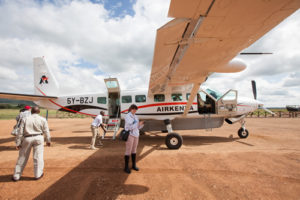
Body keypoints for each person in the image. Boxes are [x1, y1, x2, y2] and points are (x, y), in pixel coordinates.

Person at [12, 106, 51, 181]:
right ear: (39, 112)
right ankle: (38, 174)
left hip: (27, 138)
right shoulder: (43, 119)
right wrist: (48, 140)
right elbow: (46, 131)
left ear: (31, 111)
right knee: (38, 157)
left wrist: (18, 143)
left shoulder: (25, 119)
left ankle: (16, 176)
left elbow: (20, 132)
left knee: (22, 157)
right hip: (39, 138)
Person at [124, 104, 144, 174]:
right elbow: (130, 127)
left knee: (134, 150)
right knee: (128, 151)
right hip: (130, 135)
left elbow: (137, 127)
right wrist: (138, 124)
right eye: (134, 109)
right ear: (130, 109)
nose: (135, 110)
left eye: (136, 109)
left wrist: (141, 125)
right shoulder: (127, 116)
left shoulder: (136, 116)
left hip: (136, 135)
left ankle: (133, 165)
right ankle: (126, 167)